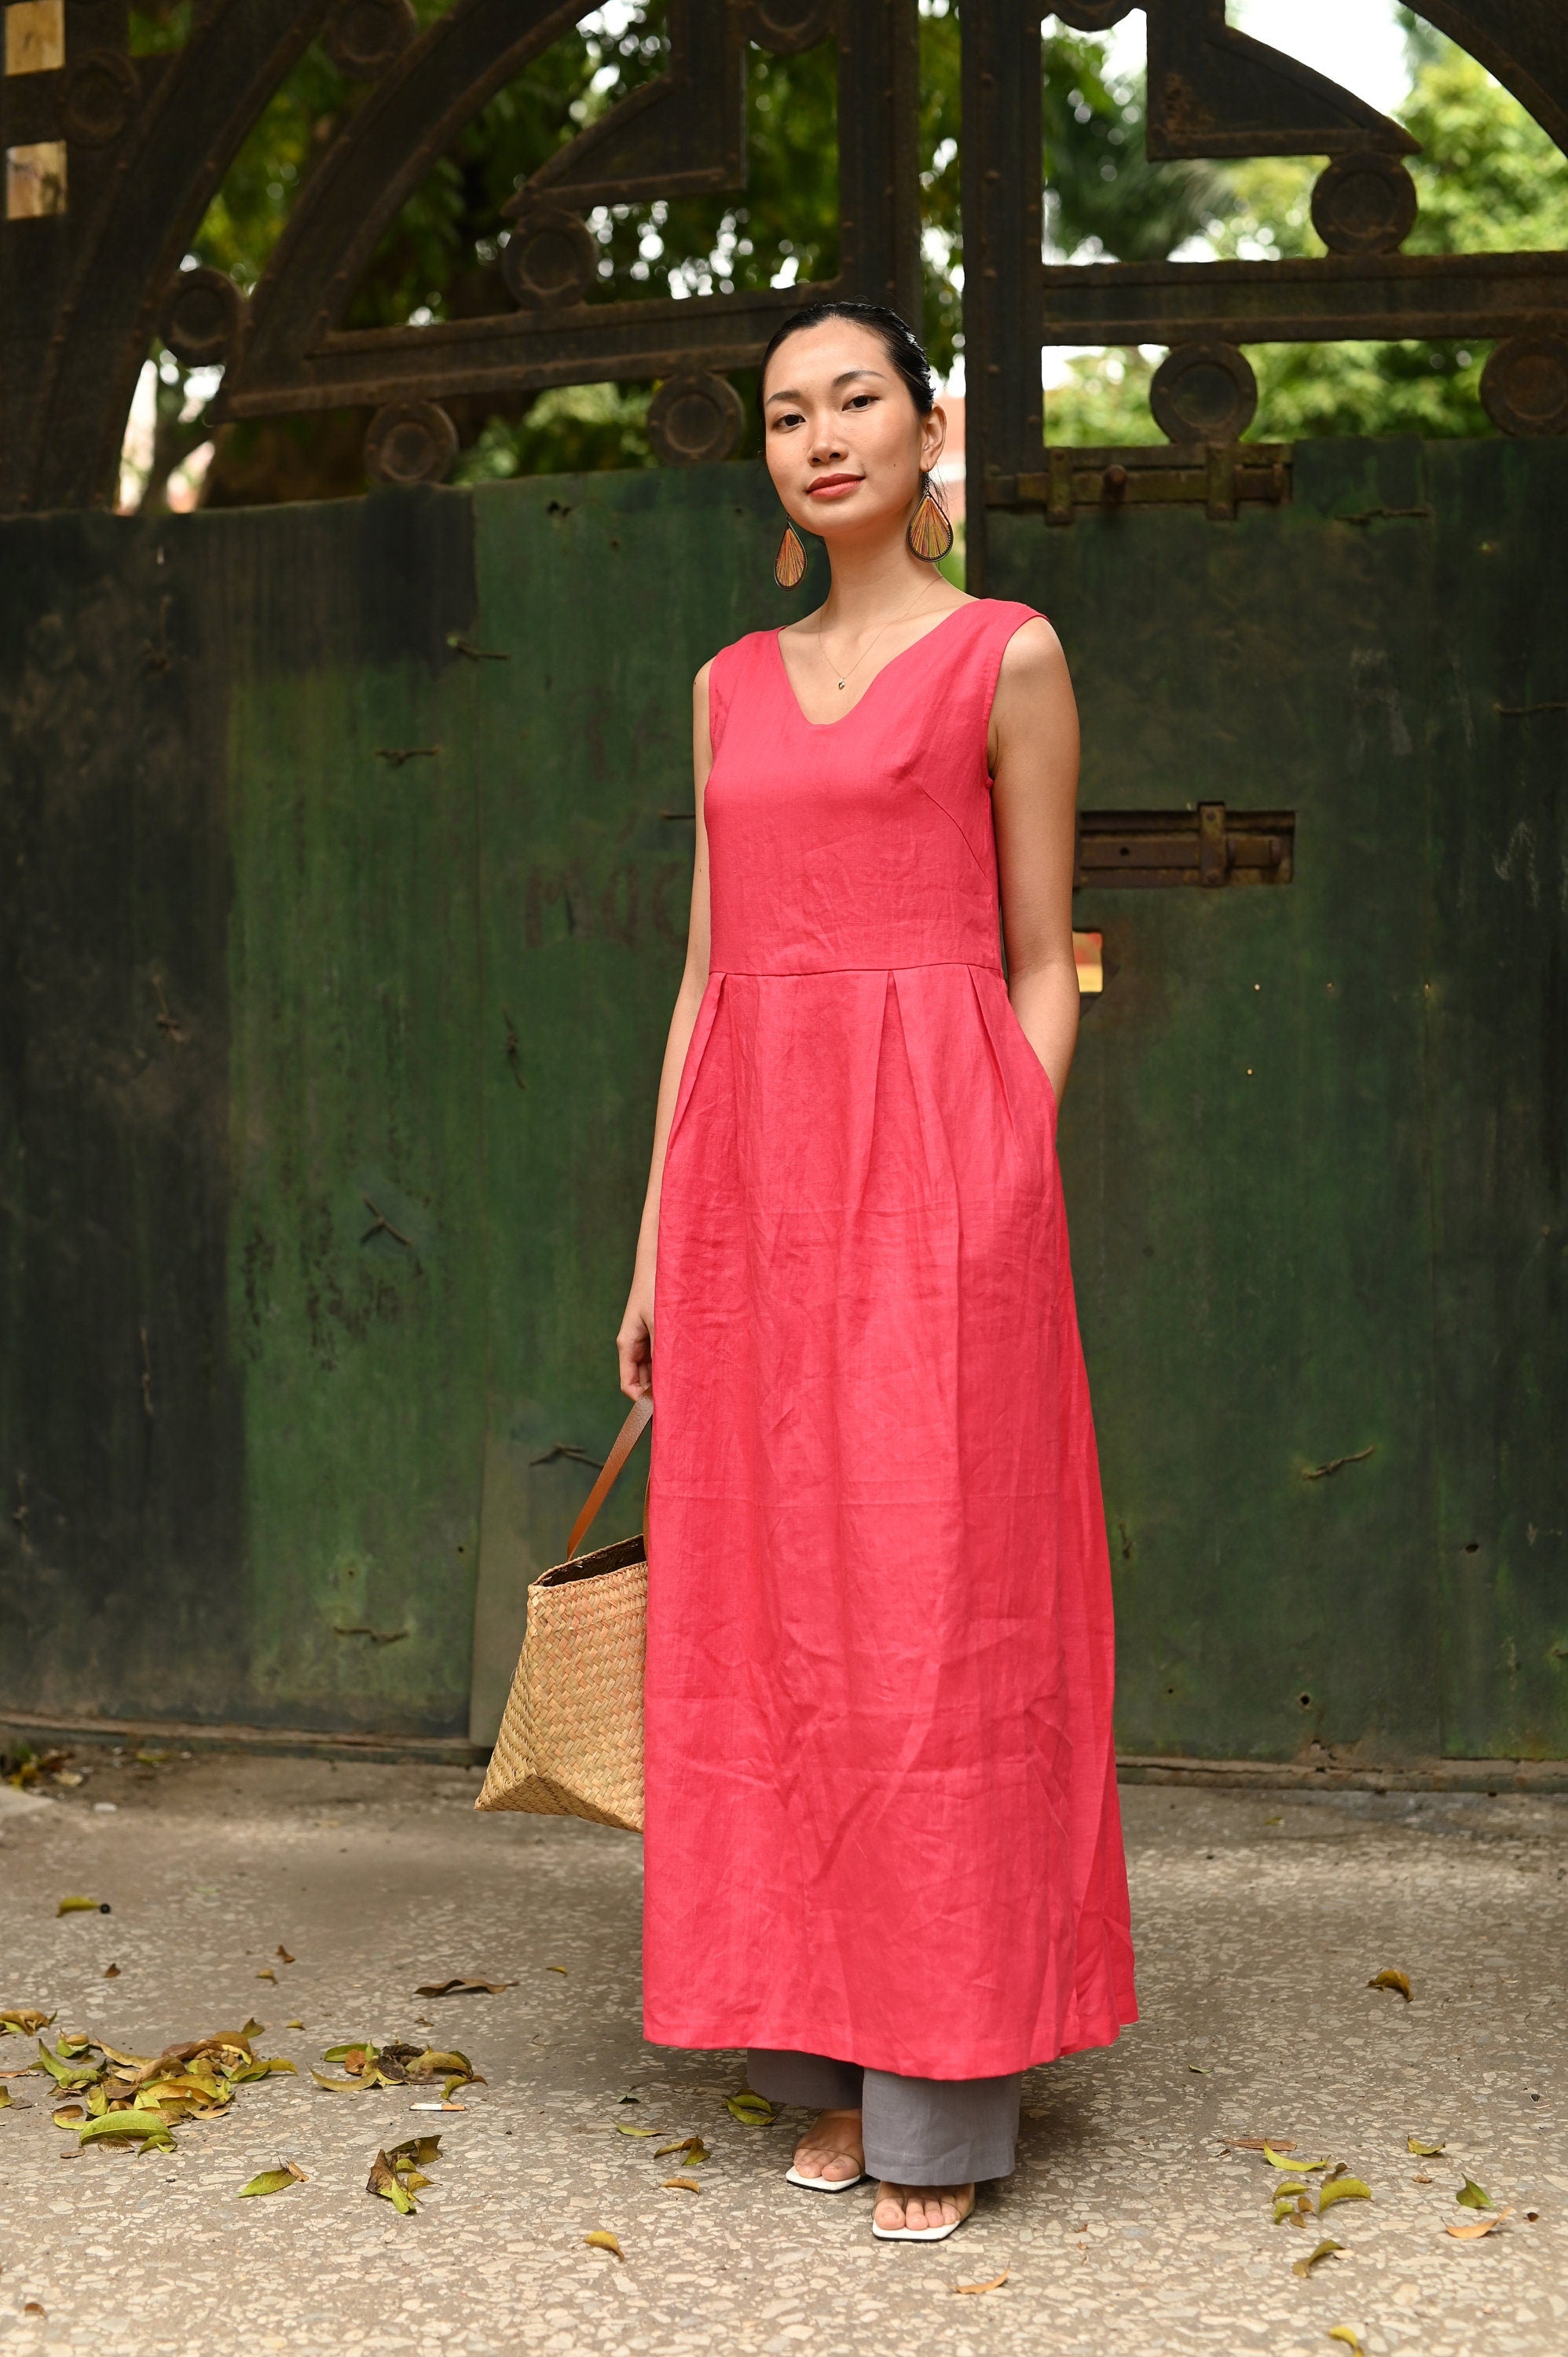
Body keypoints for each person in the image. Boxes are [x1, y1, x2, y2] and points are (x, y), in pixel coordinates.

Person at [617, 300, 1136, 2244]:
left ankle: (939, 2100)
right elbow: (704, 973)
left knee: (932, 1621)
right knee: (770, 1619)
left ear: (932, 429)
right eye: (785, 413)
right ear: (764, 461)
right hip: (747, 1192)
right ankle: (814, 2053)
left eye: (856, 401)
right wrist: (656, 1236)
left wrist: (1002, 1162)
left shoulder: (1008, 659)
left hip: (938, 1180)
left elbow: (1037, 952)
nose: (822, 436)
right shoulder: (725, 686)